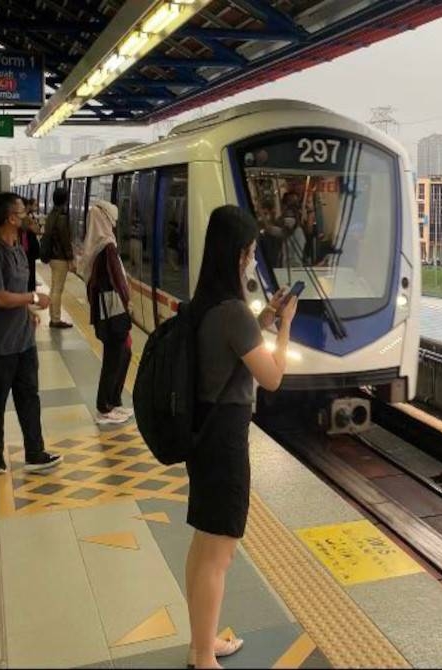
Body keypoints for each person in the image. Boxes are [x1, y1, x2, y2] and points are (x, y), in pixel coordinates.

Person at [186, 205, 297, 669]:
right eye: (251, 251)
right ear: (236, 253)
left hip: (203, 432)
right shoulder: (233, 311)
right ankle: (202, 658)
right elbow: (271, 377)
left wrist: (265, 318)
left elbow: (230, 347)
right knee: (220, 554)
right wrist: (286, 325)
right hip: (226, 440)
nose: (253, 259)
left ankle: (203, 643)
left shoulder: (205, 304)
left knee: (202, 547)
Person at [0, 193, 63, 475]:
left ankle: (35, 453)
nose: (28, 216)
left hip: (23, 341)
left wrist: (27, 312)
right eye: (23, 212)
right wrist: (33, 299)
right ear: (11, 218)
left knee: (29, 397)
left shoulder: (19, 251)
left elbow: (14, 293)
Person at [82, 201, 134, 426]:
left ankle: (113, 402)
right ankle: (104, 407)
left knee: (121, 355)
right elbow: (119, 282)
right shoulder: (107, 246)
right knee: (114, 358)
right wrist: (128, 303)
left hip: (106, 312)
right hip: (113, 312)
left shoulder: (96, 244)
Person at [45, 188, 74, 329]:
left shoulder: (51, 214)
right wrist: (70, 258)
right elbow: (65, 240)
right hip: (60, 257)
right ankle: (55, 319)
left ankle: (53, 317)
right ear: (65, 200)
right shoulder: (62, 216)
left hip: (52, 256)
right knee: (57, 289)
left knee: (54, 287)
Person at [19, 197, 42, 292]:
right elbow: (37, 230)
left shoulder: (25, 218)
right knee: (29, 273)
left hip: (24, 250)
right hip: (27, 250)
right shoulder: (26, 219)